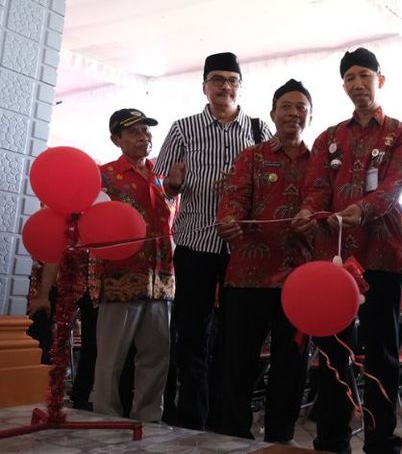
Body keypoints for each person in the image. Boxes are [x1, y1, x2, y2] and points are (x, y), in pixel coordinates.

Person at [293, 47, 402, 454]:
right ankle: (331, 440)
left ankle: (382, 442)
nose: (358, 84)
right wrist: (310, 212)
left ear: (380, 80)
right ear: (343, 85)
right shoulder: (328, 138)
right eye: (350, 78)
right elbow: (315, 187)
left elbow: (393, 187)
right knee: (331, 353)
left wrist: (360, 210)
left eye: (365, 75)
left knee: (381, 354)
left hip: (381, 257)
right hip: (333, 259)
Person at [154, 52, 273, 429]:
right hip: (195, 245)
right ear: (204, 85)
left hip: (242, 249)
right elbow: (160, 189)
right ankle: (192, 417)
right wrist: (171, 185)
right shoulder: (183, 129)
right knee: (192, 335)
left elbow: (271, 187)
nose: (224, 86)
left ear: (240, 85)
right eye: (217, 79)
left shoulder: (258, 131)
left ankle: (228, 419)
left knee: (238, 336)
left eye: (231, 80)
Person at [214, 79, 314, 442]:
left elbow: (323, 204)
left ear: (310, 115)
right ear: (272, 114)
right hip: (248, 277)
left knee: (291, 365)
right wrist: (229, 221)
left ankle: (280, 439)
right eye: (285, 106)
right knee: (238, 362)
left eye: (300, 106)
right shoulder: (251, 157)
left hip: (300, 281)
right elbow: (234, 198)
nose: (293, 112)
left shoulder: (319, 161)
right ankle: (233, 438)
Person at [92, 108, 175, 421]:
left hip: (162, 279)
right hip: (119, 279)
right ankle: (105, 417)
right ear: (117, 139)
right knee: (111, 358)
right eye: (134, 132)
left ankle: (149, 418)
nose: (144, 137)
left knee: (156, 356)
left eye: (146, 130)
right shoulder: (104, 175)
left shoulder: (162, 177)